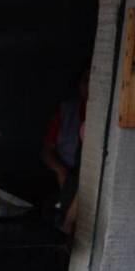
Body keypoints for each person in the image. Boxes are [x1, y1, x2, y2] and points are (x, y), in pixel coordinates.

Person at [40, 69, 89, 235]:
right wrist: (61, 171)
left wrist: (69, 220)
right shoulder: (67, 110)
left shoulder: (100, 121)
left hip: (82, 186)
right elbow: (46, 150)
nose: (89, 87)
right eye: (85, 81)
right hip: (65, 179)